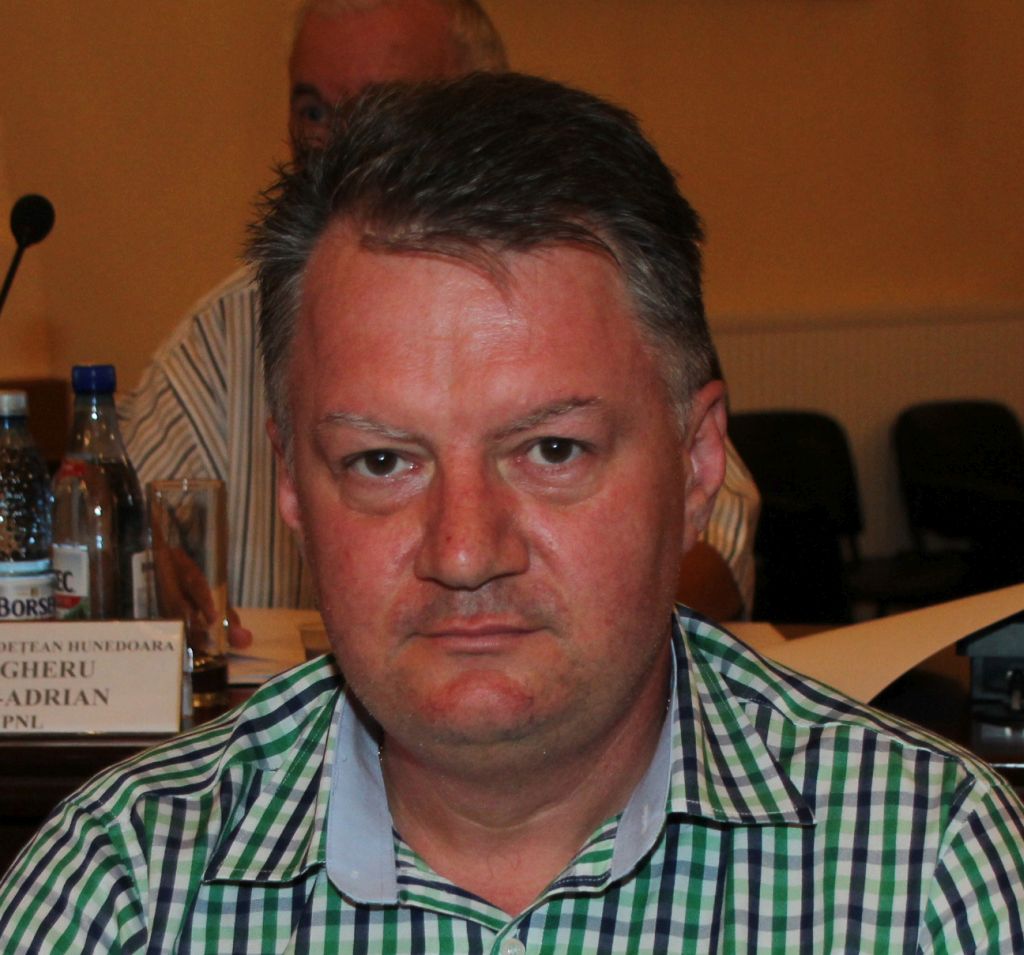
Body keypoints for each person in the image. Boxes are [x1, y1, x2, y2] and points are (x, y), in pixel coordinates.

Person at [3, 73, 1022, 951]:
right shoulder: (118, 893)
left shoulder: (934, 877)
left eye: (551, 450)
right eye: (382, 461)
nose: (462, 550)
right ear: (291, 489)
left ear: (697, 465)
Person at [120, 0, 759, 624]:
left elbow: (719, 556)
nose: (335, 143)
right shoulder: (224, 330)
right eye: (313, 110)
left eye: (554, 450)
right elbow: (123, 539)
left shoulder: (600, 294)